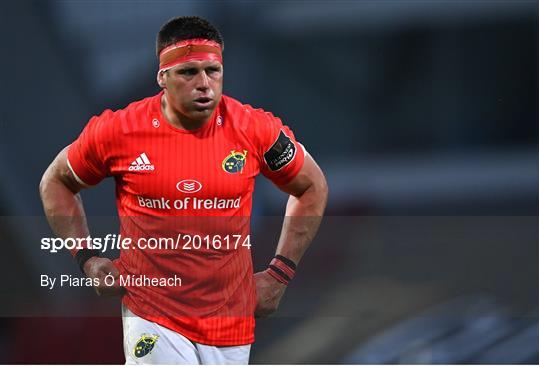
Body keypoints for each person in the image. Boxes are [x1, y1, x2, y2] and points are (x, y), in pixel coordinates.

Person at [39, 16, 328, 365]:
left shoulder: (255, 129)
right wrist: (86, 259)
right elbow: (56, 182)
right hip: (152, 311)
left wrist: (280, 273)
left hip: (229, 317)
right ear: (162, 77)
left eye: (213, 71)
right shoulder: (119, 131)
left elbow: (312, 186)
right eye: (189, 72)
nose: (204, 84)